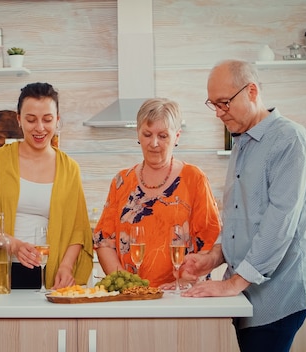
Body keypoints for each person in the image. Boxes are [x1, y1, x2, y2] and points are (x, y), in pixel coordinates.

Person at [179, 59, 306, 352]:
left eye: (224, 103)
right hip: (249, 292)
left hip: (278, 292)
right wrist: (213, 258)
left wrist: (232, 284)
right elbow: (238, 218)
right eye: (214, 105)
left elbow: (279, 223)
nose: (219, 113)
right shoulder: (242, 143)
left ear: (251, 91)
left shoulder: (289, 139)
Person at [0, 82, 93, 290]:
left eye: (47, 120)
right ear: (18, 119)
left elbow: (78, 230)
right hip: (3, 269)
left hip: (51, 273)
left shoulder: (69, 168)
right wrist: (15, 246)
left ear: (57, 121)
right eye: (31, 119)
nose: (40, 128)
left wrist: (66, 266)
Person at [93, 97, 221, 288]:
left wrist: (183, 281)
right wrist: (129, 285)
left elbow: (210, 239)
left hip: (181, 294)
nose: (154, 143)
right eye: (147, 134)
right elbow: (104, 242)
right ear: (138, 134)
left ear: (177, 136)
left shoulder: (194, 178)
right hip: (132, 297)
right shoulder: (121, 181)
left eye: (162, 136)